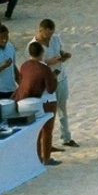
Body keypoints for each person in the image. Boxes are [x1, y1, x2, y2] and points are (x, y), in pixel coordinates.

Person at [36, 17, 77, 148]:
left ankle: (66, 137)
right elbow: (33, 65)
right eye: (47, 34)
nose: (49, 37)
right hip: (46, 83)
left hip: (61, 77)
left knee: (62, 109)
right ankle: (47, 142)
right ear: (40, 30)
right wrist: (48, 62)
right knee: (48, 112)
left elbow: (60, 51)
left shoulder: (56, 38)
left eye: (51, 34)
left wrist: (64, 55)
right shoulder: (34, 45)